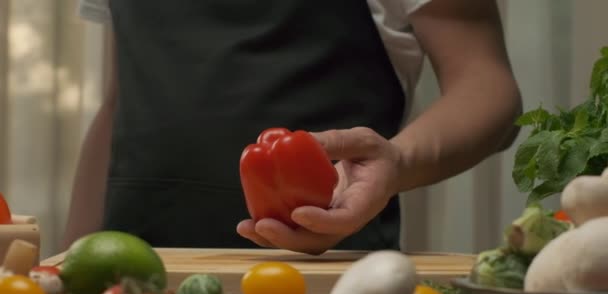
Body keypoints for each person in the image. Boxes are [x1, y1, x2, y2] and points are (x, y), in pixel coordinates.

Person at [63, 0, 522, 255]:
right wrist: (67, 265)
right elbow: (120, 99)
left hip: (327, 280)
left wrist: (397, 162)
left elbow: (488, 89)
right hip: (134, 277)